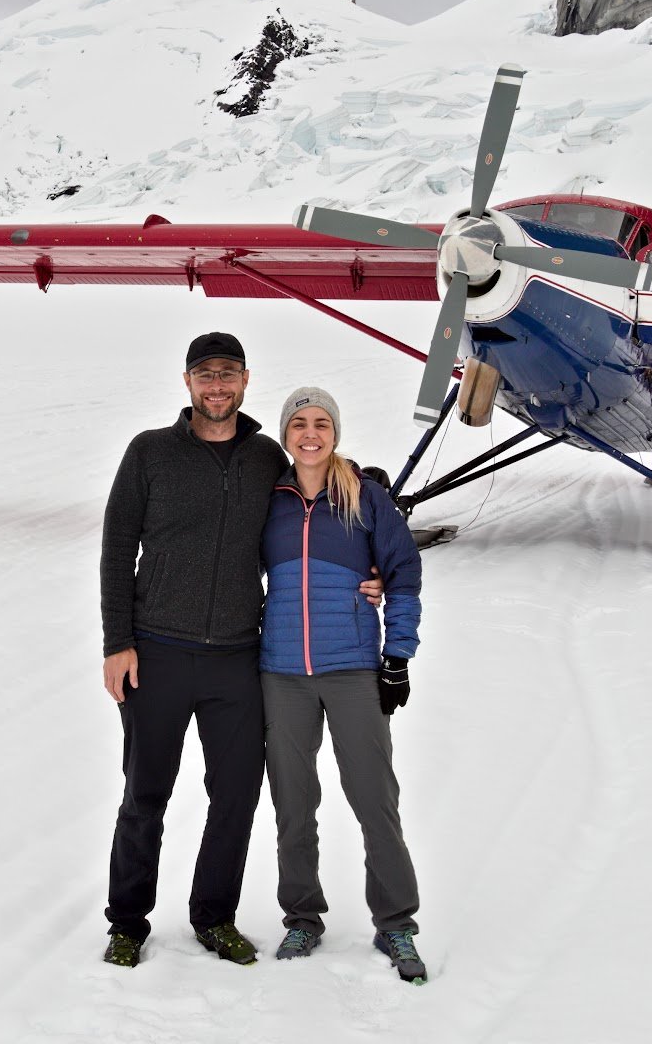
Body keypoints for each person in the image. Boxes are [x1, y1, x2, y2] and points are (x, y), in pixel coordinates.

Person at [97, 332, 287, 968]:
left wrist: (370, 521)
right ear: (187, 383)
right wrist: (117, 642)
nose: (216, 386)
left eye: (227, 373)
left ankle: (214, 917)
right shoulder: (150, 452)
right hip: (157, 651)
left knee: (235, 795)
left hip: (238, 656)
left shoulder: (266, 457)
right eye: (204, 374)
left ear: (245, 380)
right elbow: (118, 547)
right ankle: (127, 923)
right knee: (145, 795)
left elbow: (309, 513)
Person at [259, 386, 429, 983]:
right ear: (285, 433)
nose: (310, 433)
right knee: (293, 803)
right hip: (281, 671)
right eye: (299, 423)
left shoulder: (366, 498)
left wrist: (396, 656)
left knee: (374, 798)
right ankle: (302, 916)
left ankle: (396, 924)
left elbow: (402, 573)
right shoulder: (267, 499)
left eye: (322, 423)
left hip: (353, 667)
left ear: (336, 433)